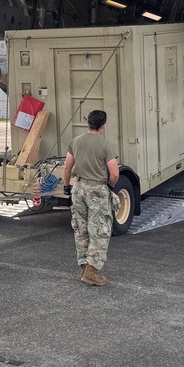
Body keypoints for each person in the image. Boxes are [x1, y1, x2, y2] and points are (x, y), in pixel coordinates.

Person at [63, 110, 119, 286]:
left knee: (81, 229)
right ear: (102, 127)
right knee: (100, 230)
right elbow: (115, 173)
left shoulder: (76, 142)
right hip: (97, 189)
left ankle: (84, 267)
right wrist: (109, 186)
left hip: (78, 189)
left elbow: (67, 168)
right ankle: (91, 271)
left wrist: (66, 186)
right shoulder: (106, 145)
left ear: (87, 124)